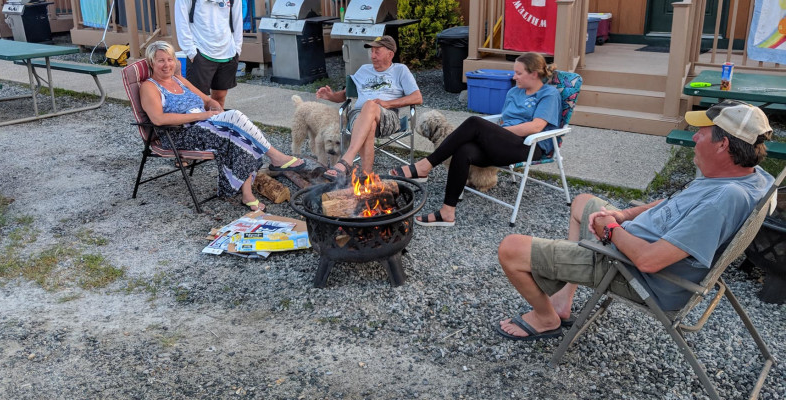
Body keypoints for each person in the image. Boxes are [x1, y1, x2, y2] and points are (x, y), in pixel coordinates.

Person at [495, 99, 774, 341]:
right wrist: (623, 215)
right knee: (582, 203)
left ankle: (545, 319)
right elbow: (675, 203)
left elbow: (650, 261)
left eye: (702, 133)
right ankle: (562, 301)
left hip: (634, 271)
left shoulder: (724, 199)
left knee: (511, 249)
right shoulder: (750, 176)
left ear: (723, 144)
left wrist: (611, 230)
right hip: (630, 244)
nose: (694, 138)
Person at [392, 52, 562, 227]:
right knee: (464, 150)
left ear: (534, 74)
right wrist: (497, 132)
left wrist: (497, 131)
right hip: (503, 144)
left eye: (519, 73)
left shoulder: (548, 94)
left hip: (529, 145)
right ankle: (447, 212)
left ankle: (424, 166)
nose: (514, 76)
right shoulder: (514, 92)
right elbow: (504, 119)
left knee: (475, 122)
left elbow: (536, 127)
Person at [139, 41, 304, 212]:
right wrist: (203, 115)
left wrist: (214, 106)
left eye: (170, 59)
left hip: (204, 127)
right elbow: (158, 119)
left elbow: (207, 99)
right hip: (180, 134)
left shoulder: (178, 80)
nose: (167, 65)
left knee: (239, 135)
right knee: (235, 118)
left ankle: (247, 195)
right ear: (151, 63)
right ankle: (275, 157)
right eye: (161, 61)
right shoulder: (149, 87)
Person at [315, 35, 422, 177]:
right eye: (371, 51)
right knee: (369, 125)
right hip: (358, 116)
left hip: (388, 117)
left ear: (390, 54)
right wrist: (330, 96)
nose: (372, 56)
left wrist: (387, 103)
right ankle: (367, 177)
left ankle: (347, 159)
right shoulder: (364, 70)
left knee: (370, 104)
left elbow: (417, 97)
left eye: (377, 52)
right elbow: (345, 95)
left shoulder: (400, 70)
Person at [174, 0, 243, 111]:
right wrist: (190, 51)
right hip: (201, 51)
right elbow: (181, 19)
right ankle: (199, 132)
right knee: (199, 99)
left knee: (219, 97)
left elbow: (237, 21)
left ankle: (215, 131)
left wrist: (237, 49)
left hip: (227, 52)